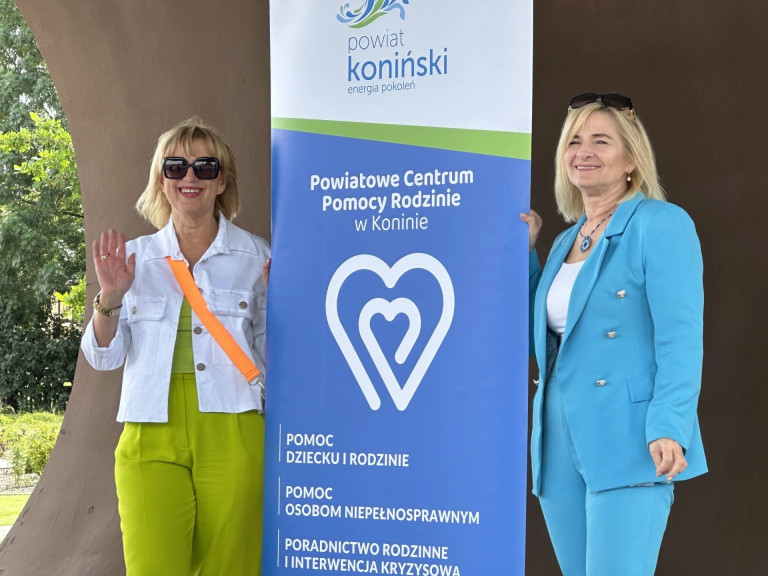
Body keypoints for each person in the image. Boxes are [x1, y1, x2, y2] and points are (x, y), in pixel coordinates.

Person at [520, 93, 706, 575]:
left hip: (629, 435)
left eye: (601, 141)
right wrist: (526, 255)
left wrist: (670, 423)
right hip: (557, 442)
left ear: (631, 159)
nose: (584, 151)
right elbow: (539, 341)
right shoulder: (566, 240)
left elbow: (680, 337)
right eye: (574, 141)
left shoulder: (660, 224)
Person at [81, 117, 270, 575]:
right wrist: (110, 298)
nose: (190, 177)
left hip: (234, 426)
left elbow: (275, 357)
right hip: (149, 430)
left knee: (232, 567)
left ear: (222, 180)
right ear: (161, 180)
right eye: (176, 166)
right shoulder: (133, 259)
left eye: (205, 167)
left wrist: (287, 308)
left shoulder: (258, 257)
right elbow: (103, 357)